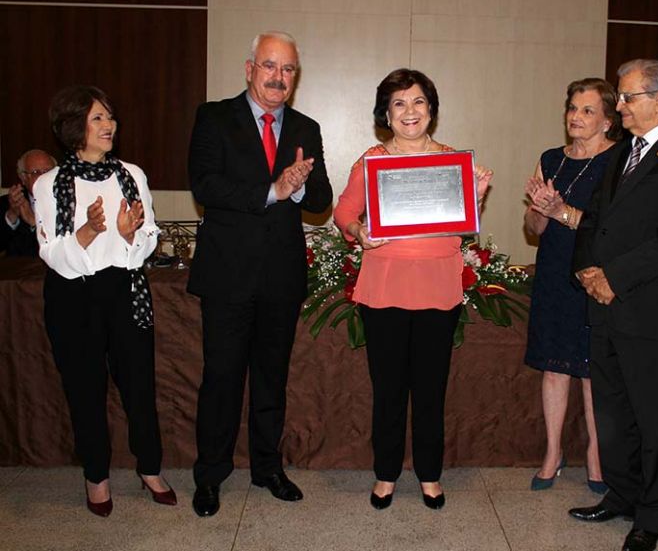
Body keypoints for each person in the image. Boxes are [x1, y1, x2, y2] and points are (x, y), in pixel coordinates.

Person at [569, 60, 658, 551]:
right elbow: (595, 220)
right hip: (604, 304)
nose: (621, 106)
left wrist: (615, 278)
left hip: (648, 309)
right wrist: (587, 271)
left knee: (653, 418)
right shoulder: (622, 152)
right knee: (613, 414)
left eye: (629, 97)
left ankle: (653, 514)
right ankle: (622, 494)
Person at [187, 31, 332, 517]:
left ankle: (268, 467)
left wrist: (296, 189)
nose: (278, 77)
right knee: (222, 378)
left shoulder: (306, 127)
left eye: (288, 69)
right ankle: (210, 474)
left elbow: (321, 201)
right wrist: (272, 189)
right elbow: (205, 184)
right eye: (270, 65)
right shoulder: (213, 117)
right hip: (227, 276)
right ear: (250, 68)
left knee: (271, 379)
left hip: (281, 277)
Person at [334, 68, 492, 511]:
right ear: (386, 112)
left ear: (431, 110)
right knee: (387, 389)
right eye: (399, 103)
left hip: (438, 286)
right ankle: (385, 474)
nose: (410, 111)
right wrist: (357, 231)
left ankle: (429, 475)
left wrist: (475, 194)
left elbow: (463, 224)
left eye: (419, 101)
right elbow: (344, 210)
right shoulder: (370, 160)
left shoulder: (452, 161)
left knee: (430, 388)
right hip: (384, 286)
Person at [35, 85, 175, 517]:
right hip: (72, 295)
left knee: (139, 388)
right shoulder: (48, 183)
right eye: (97, 118)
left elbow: (149, 236)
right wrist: (90, 231)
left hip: (126, 291)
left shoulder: (131, 174)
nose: (108, 124)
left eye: (109, 116)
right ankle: (96, 476)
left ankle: (149, 468)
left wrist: (131, 234)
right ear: (74, 126)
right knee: (85, 391)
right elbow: (52, 253)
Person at [523, 78, 622, 493]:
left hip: (594, 276)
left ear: (607, 121)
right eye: (572, 109)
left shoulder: (618, 161)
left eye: (587, 111)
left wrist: (562, 210)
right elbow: (533, 228)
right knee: (553, 368)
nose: (576, 117)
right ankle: (552, 453)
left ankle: (597, 458)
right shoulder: (550, 158)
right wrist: (542, 210)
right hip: (552, 273)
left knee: (592, 373)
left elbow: (611, 230)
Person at [0, 149, 56, 256]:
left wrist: (33, 222)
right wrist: (12, 216)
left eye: (48, 172)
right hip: (19, 270)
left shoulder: (68, 204)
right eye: (35, 172)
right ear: (23, 178)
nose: (43, 177)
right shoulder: (8, 203)